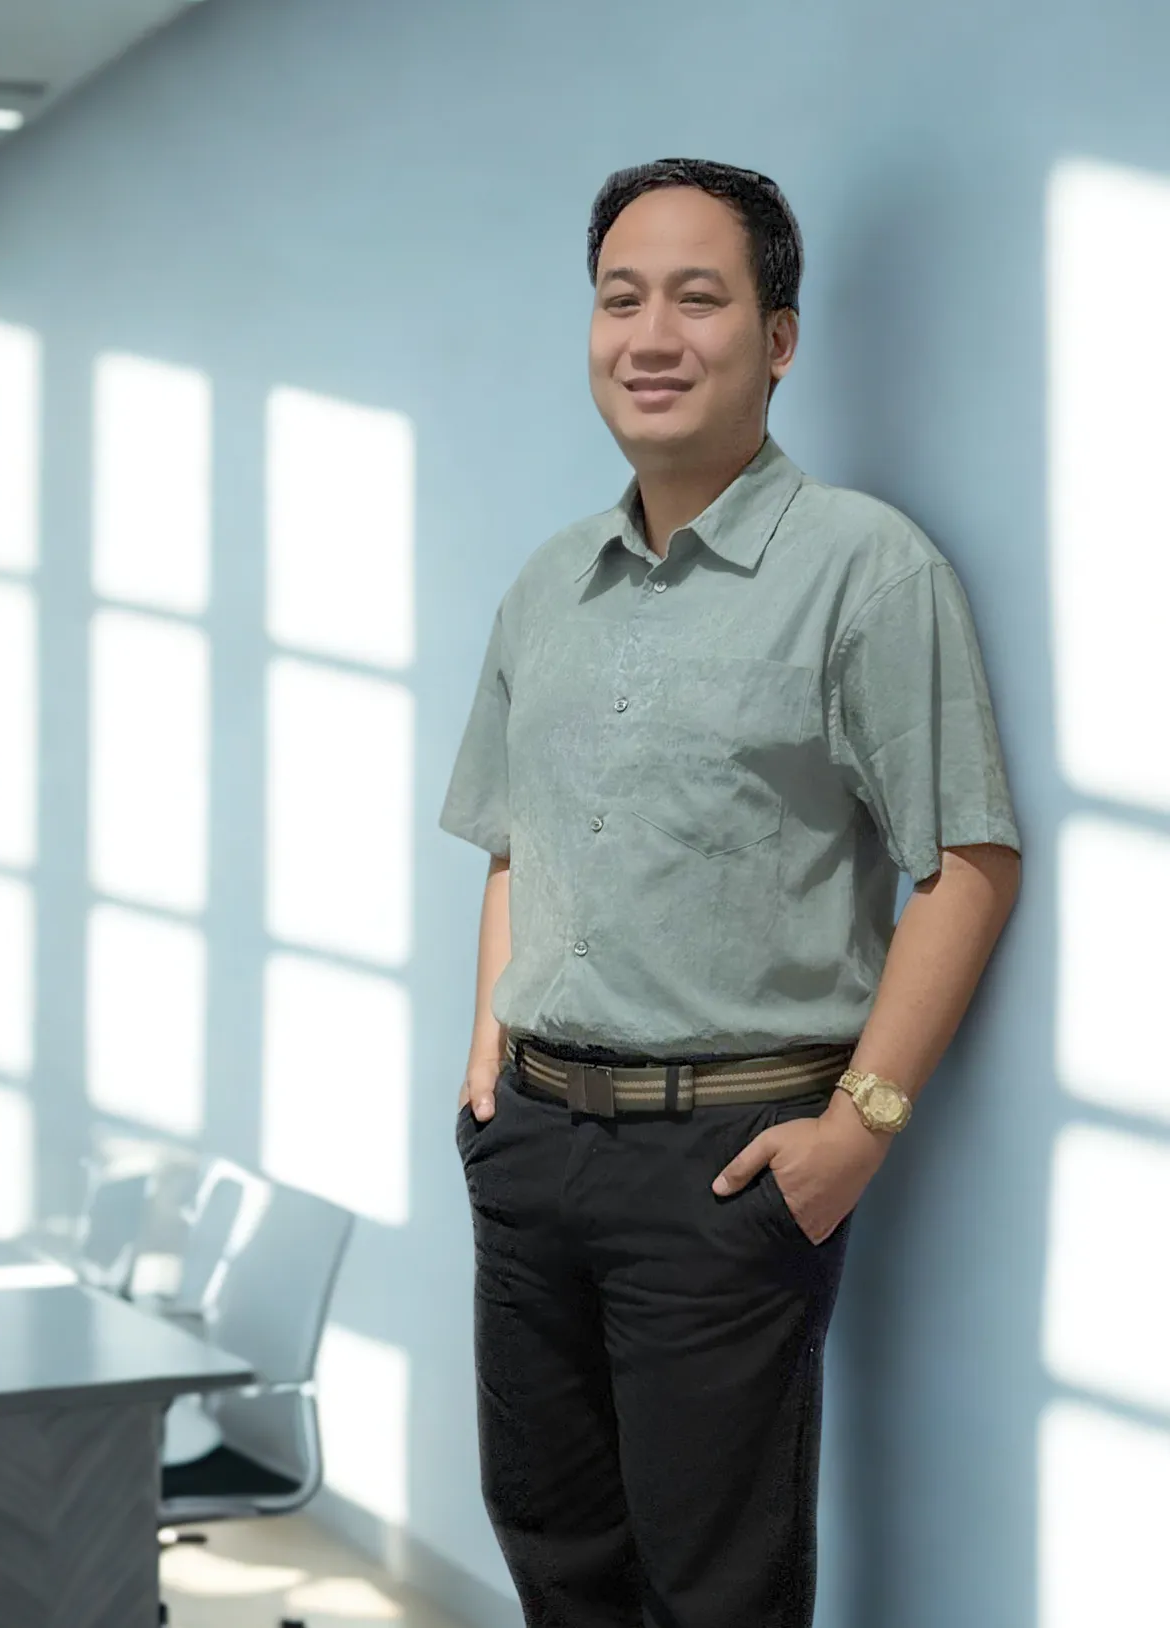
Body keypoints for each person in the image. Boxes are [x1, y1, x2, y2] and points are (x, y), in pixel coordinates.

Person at [438, 156, 1022, 1628]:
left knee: (717, 1592)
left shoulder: (867, 569)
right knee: (555, 1556)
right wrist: (487, 1062)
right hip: (533, 1150)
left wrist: (859, 1132)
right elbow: (515, 841)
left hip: (728, 1165)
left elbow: (967, 861)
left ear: (778, 338)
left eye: (697, 299)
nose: (650, 337)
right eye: (618, 298)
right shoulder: (547, 584)